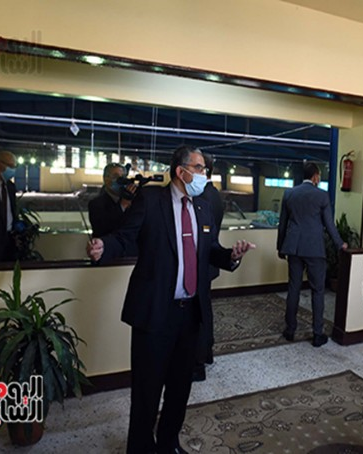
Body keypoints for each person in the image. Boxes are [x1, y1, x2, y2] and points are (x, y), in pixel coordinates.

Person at [86, 145, 255, 454]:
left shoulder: (202, 206)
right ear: (181, 171)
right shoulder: (152, 200)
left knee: (179, 389)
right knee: (147, 392)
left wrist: (231, 256)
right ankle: (140, 448)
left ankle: (168, 444)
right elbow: (124, 237)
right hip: (154, 312)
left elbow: (210, 250)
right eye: (200, 168)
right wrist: (103, 248)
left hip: (189, 315)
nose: (205, 175)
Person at [277, 162, 345, 347]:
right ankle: (317, 334)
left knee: (293, 288)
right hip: (314, 248)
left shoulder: (289, 193)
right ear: (315, 176)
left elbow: (283, 224)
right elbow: (329, 224)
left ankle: (290, 330)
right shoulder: (322, 195)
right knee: (318, 290)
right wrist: (340, 244)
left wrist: (280, 247)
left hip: (294, 247)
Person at [193, 152, 224, 381]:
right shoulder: (216, 195)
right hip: (208, 263)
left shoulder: (202, 196)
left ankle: (198, 362)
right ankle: (207, 352)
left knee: (199, 314)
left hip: (201, 262)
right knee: (205, 309)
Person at [88, 162, 138, 257]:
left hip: (130, 255)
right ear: (106, 179)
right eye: (116, 176)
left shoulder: (132, 201)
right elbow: (103, 228)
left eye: (123, 177)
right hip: (108, 256)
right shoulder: (95, 204)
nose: (121, 180)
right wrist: (122, 205)